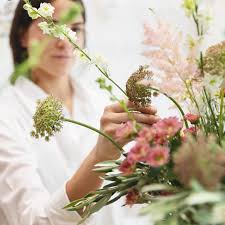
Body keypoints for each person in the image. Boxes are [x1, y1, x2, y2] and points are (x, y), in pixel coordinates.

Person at [0, 0, 159, 224]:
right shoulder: (6, 117)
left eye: (75, 29)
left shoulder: (104, 102)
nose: (65, 41)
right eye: (52, 27)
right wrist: (100, 157)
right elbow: (34, 220)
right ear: (22, 36)